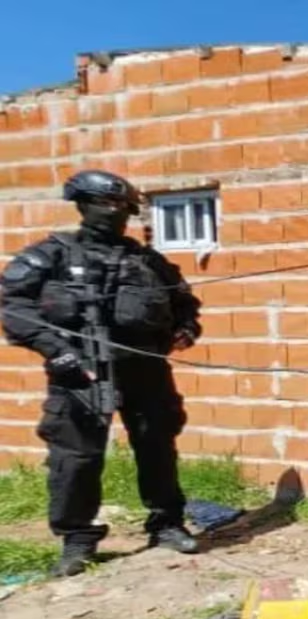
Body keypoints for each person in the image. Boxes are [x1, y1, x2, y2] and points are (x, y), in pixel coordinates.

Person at [1, 170, 203, 576]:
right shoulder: (52, 255)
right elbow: (11, 304)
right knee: (76, 457)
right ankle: (77, 539)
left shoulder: (147, 260)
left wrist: (186, 329)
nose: (112, 213)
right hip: (81, 370)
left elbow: (185, 304)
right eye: (103, 205)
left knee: (157, 447)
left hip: (144, 368)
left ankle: (166, 524)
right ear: (82, 205)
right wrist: (55, 350)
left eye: (120, 207)